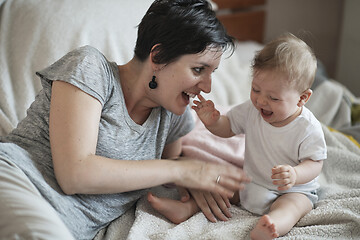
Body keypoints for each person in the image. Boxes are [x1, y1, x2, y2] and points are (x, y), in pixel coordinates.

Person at [0, 0, 251, 239]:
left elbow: (170, 163)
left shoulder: (173, 115)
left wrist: (191, 182)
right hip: (17, 180)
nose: (207, 87)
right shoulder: (91, 68)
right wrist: (184, 171)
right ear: (158, 57)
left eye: (212, 73)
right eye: (198, 70)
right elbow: (74, 174)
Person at [148, 33, 327, 239]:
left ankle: (273, 224)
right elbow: (228, 128)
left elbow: (315, 163)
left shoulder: (307, 127)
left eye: (273, 98)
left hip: (293, 189)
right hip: (252, 182)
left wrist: (295, 175)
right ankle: (187, 208)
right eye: (255, 89)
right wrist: (213, 121)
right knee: (219, 186)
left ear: (302, 98)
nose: (261, 101)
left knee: (292, 207)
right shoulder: (251, 110)